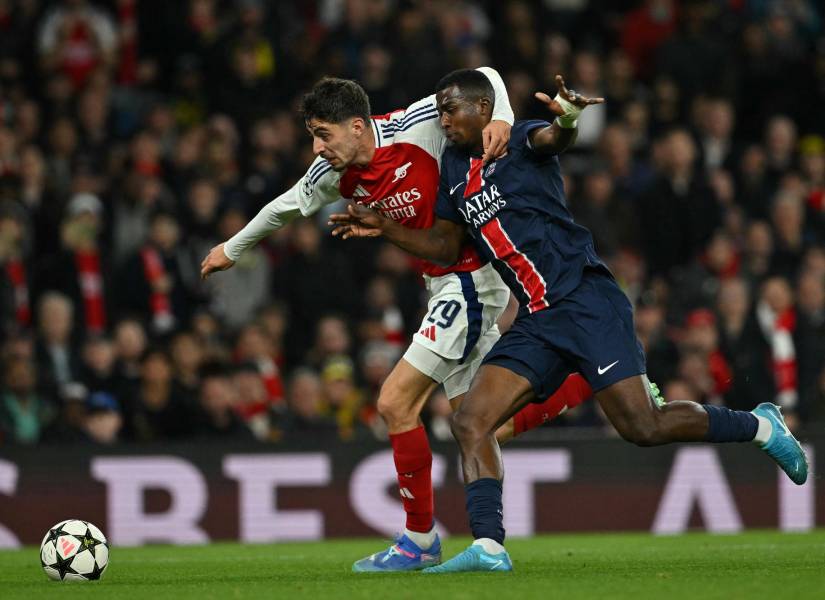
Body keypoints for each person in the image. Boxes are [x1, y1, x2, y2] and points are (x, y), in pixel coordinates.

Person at [330, 69, 808, 573]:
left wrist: (571, 116)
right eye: (440, 110)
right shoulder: (451, 167)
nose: (442, 118)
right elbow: (447, 246)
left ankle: (759, 425)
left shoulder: (517, 139)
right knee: (470, 419)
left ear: (483, 109)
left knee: (642, 426)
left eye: (452, 109)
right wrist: (387, 228)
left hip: (587, 302)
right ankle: (490, 547)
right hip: (538, 318)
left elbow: (554, 137)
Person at [200, 69, 595, 572]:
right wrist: (232, 249)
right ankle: (587, 383)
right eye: (312, 136)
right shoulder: (330, 175)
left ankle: (418, 539)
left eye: (324, 134)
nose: (317, 148)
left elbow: (487, 77)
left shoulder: (419, 121)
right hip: (440, 279)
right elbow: (283, 208)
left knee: (394, 401)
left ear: (358, 127)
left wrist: (499, 116)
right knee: (482, 423)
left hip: (472, 276)